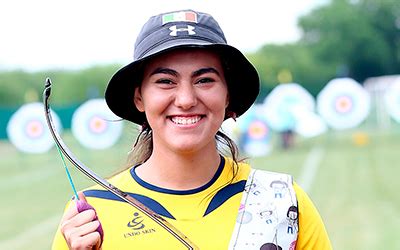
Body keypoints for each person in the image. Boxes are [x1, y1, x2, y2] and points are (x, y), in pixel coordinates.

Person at [52, 9, 332, 250]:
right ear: (139, 97)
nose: (186, 100)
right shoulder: (90, 216)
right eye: (165, 81)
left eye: (205, 80)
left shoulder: (282, 200)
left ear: (228, 95)